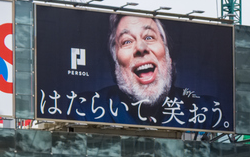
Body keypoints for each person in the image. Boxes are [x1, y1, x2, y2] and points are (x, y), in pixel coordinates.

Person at [84, 14, 226, 130]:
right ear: (116, 64)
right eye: (127, 41)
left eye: (149, 37)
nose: (140, 47)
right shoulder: (87, 110)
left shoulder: (208, 112)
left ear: (168, 56)